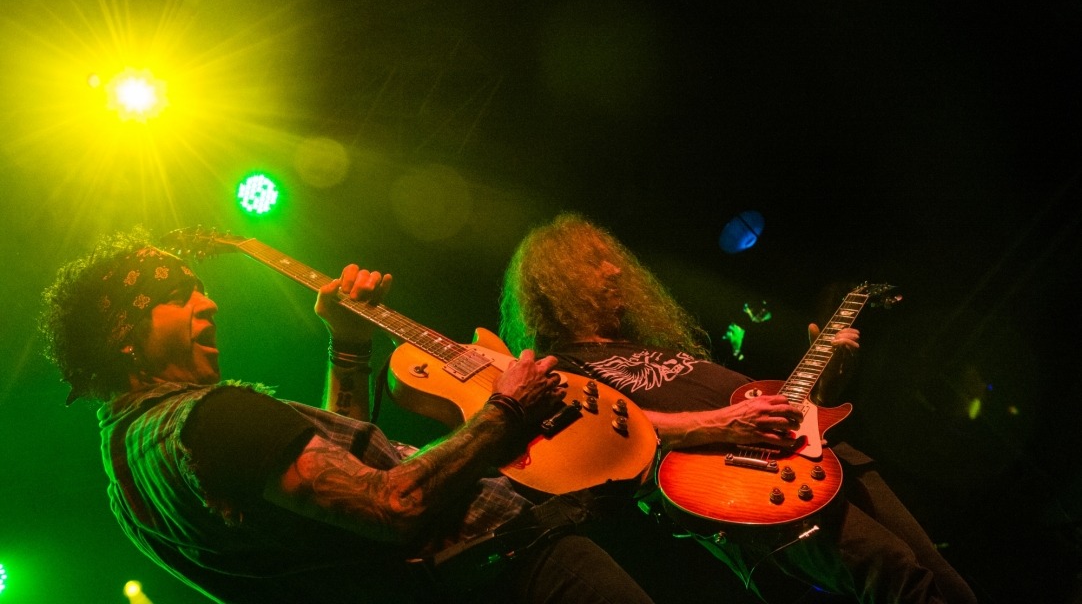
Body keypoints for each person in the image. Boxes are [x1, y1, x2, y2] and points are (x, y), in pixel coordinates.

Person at [37, 227, 657, 604]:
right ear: (124, 334)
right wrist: (507, 410)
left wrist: (349, 344)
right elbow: (391, 509)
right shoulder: (217, 419)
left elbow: (340, 506)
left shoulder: (132, 473)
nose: (210, 302)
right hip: (512, 573)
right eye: (181, 296)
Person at [497, 212, 978, 604]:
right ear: (556, 282)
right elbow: (609, 432)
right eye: (596, 262)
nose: (617, 269)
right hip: (751, 485)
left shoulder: (653, 345)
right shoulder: (563, 367)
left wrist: (826, 387)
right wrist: (726, 422)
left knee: (945, 580)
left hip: (823, 455)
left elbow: (787, 411)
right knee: (896, 575)